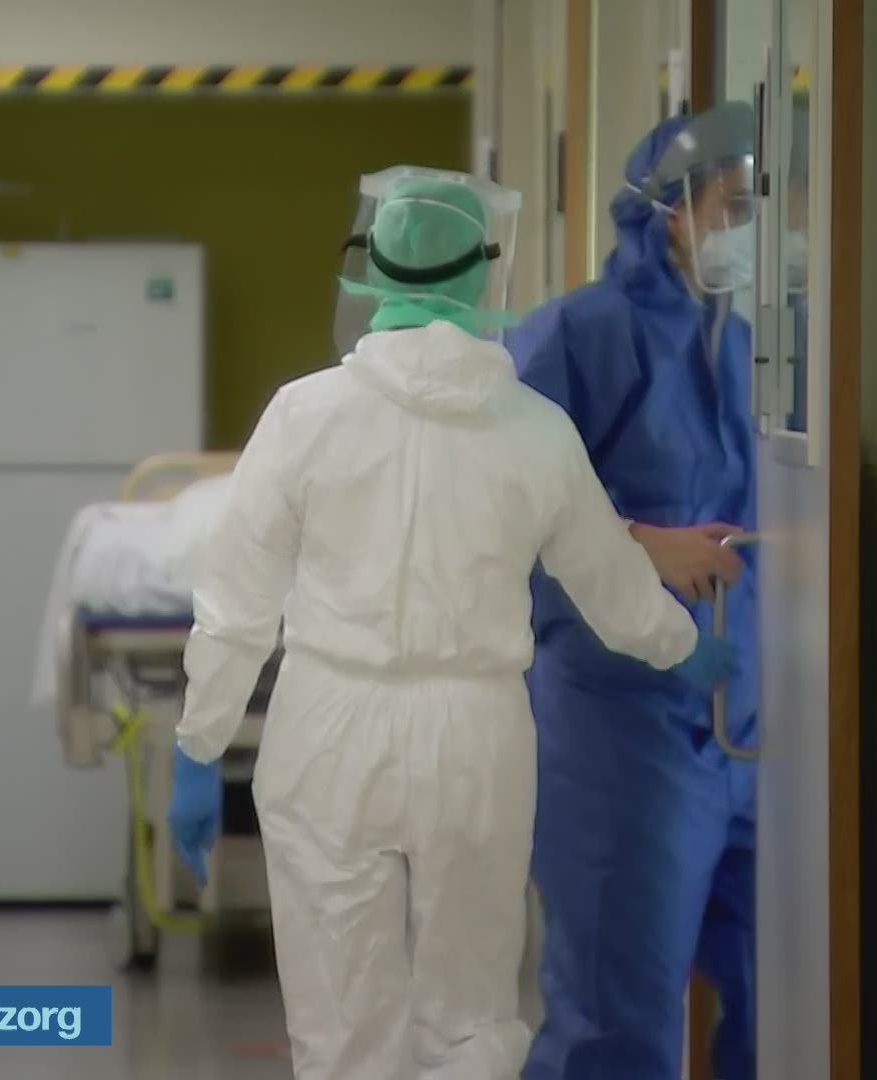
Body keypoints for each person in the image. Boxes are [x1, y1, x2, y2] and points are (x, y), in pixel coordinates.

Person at [165, 165, 738, 1080]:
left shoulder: (304, 417)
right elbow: (615, 588)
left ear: (370, 265)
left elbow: (237, 602)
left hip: (329, 731)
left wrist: (200, 745)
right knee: (470, 1016)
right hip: (477, 738)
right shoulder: (535, 429)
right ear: (483, 271)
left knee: (340, 1019)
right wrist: (690, 651)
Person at [508, 103, 763, 1080]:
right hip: (617, 729)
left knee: (782, 997)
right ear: (670, 210)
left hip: (746, 722)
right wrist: (638, 545)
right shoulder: (579, 335)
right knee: (618, 1017)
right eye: (733, 206)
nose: (748, 230)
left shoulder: (753, 344)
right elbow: (499, 512)